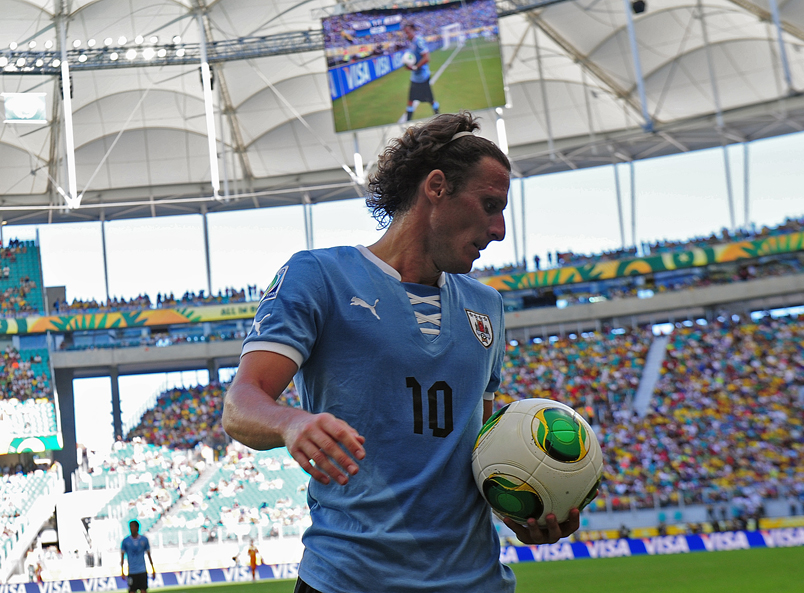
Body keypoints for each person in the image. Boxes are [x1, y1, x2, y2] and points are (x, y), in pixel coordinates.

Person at [222, 111, 580, 593]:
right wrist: (291, 423)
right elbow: (240, 405)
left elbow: (478, 440)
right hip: (347, 581)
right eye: (490, 204)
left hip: (476, 583)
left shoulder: (487, 306)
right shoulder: (319, 277)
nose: (499, 229)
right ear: (437, 187)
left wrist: (518, 504)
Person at [402, 22, 439, 122]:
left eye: (408, 32)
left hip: (422, 77)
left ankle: (439, 118)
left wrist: (415, 67)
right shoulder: (411, 42)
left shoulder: (418, 41)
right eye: (405, 33)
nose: (407, 35)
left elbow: (427, 58)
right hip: (415, 77)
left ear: (413, 31)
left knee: (430, 100)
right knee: (410, 100)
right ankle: (407, 123)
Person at [121, 520, 155, 593]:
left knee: (143, 590)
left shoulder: (144, 540)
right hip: (132, 571)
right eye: (130, 527)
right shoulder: (125, 541)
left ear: (137, 528)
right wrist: (122, 571)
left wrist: (153, 569)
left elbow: (149, 555)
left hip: (142, 571)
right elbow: (122, 557)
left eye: (132, 526)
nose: (131, 529)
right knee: (132, 591)